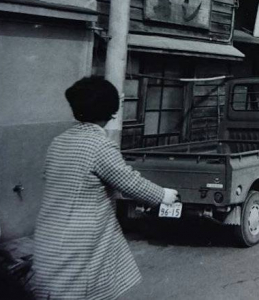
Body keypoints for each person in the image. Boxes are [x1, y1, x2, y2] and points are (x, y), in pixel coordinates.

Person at [33, 76, 179, 300]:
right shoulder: (100, 145)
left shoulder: (58, 142)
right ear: (110, 113)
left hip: (49, 236)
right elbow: (129, 182)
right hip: (82, 241)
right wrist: (163, 195)